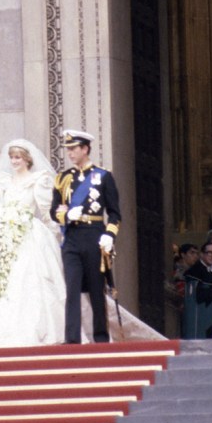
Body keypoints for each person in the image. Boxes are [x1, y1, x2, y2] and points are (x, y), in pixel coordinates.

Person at [0, 139, 65, 348]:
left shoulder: (38, 180)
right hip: (5, 238)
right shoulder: (3, 182)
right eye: (11, 157)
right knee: (1, 286)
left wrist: (55, 237)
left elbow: (46, 213)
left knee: (30, 283)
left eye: (17, 157)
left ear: (27, 159)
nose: (14, 161)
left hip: (29, 236)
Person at [50, 129, 121, 344]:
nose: (70, 153)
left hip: (94, 237)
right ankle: (72, 339)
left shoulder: (103, 176)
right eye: (68, 149)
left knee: (96, 290)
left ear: (85, 149)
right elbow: (53, 211)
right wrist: (66, 214)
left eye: (74, 149)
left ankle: (100, 337)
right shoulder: (63, 179)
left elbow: (115, 213)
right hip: (72, 238)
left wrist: (110, 234)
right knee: (72, 288)